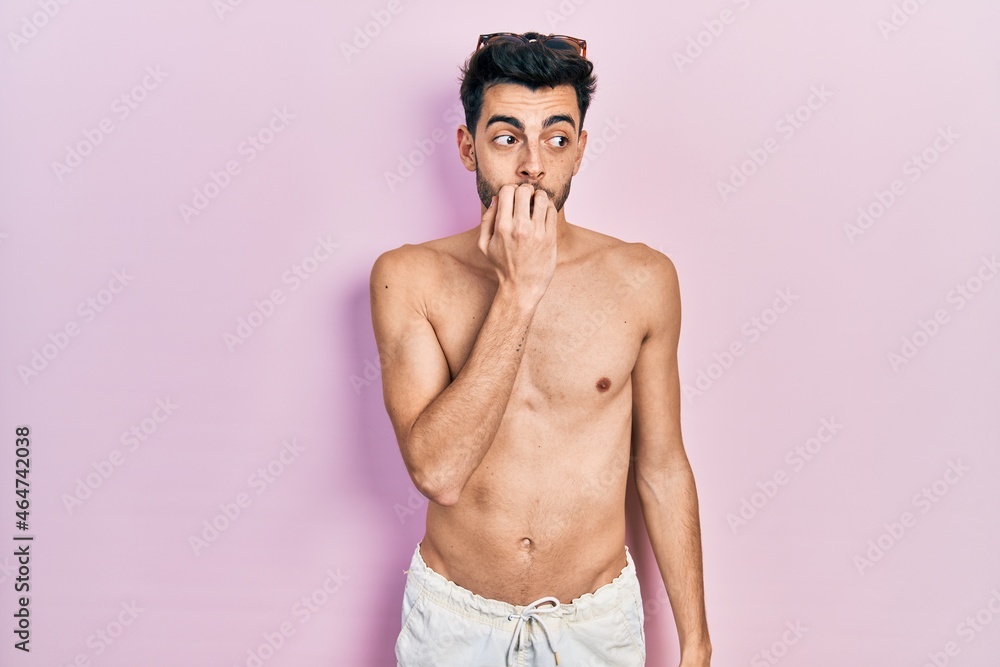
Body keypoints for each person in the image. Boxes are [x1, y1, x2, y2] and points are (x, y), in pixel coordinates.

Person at [370, 31, 711, 667]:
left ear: (580, 150)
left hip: (596, 622)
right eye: (506, 138)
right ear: (469, 148)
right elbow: (438, 473)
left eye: (556, 138)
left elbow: (662, 466)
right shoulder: (408, 278)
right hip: (454, 620)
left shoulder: (643, 279)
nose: (532, 164)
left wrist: (696, 641)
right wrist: (519, 292)